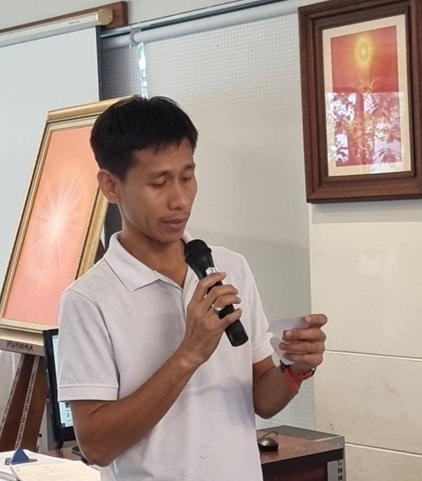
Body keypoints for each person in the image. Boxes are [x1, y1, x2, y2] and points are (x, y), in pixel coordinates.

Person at [57, 96, 327, 481]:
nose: (180, 200)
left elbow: (263, 401)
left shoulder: (229, 267)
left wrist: (294, 368)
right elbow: (96, 446)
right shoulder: (88, 300)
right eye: (159, 183)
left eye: (187, 177)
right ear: (111, 186)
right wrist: (188, 354)